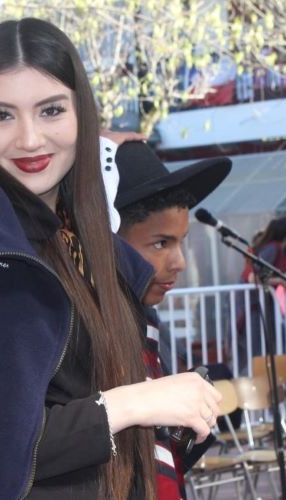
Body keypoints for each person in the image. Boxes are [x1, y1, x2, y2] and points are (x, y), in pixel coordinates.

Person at [0, 18, 221, 500]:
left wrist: (171, 406)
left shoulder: (83, 236)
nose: (29, 139)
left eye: (51, 110)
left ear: (82, 114)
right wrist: (134, 403)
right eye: (1, 115)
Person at [110, 139, 231, 497]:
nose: (179, 262)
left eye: (181, 242)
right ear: (108, 240)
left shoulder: (147, 328)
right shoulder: (90, 334)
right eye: (161, 244)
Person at [236, 215, 286, 381]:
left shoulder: (275, 249)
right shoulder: (273, 249)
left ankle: (285, 393)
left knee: (278, 351)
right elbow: (254, 277)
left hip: (266, 308)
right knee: (259, 355)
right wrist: (281, 280)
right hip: (255, 308)